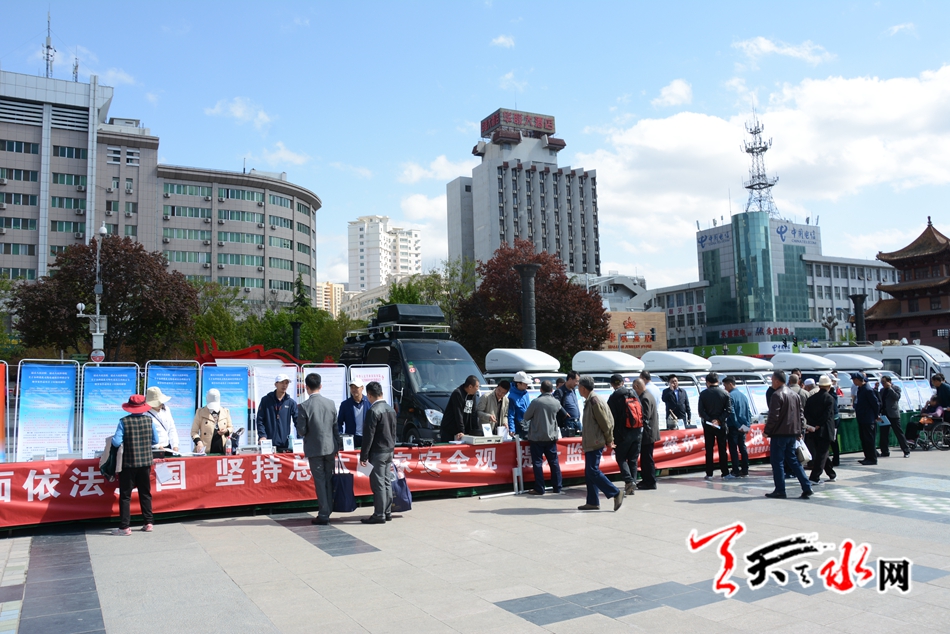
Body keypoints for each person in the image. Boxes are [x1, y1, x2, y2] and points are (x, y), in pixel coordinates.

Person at [295, 372, 340, 525]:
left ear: (306, 387)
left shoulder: (304, 406)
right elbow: (335, 428)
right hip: (330, 447)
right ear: (321, 386)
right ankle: (329, 509)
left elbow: (301, 431)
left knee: (320, 481)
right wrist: (337, 445)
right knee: (328, 479)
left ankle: (324, 513)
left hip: (314, 449)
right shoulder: (331, 403)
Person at [112, 394, 160, 535]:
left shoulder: (123, 422)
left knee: (125, 496)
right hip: (145, 463)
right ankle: (148, 522)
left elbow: (116, 442)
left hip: (128, 463)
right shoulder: (149, 421)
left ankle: (125, 527)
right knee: (145, 493)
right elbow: (155, 441)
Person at [763, 370, 813, 500]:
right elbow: (800, 414)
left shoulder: (776, 395)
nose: (772, 383)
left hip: (780, 433)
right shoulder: (794, 394)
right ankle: (806, 486)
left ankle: (780, 490)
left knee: (777, 462)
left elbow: (774, 416)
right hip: (792, 433)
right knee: (793, 460)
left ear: (777, 381)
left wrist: (767, 431)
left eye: (772, 380)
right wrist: (799, 430)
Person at [577, 376, 623, 511]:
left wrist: (609, 439)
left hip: (595, 441)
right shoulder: (591, 399)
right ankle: (592, 501)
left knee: (592, 471)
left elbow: (606, 423)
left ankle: (615, 492)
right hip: (592, 441)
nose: (578, 389)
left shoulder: (594, 401)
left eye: (579, 386)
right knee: (589, 472)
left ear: (583, 388)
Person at [359, 381, 397, 524]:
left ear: (369, 395)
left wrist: (363, 456)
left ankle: (379, 514)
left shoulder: (373, 411)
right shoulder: (391, 409)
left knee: (378, 484)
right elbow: (394, 432)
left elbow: (368, 436)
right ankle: (387, 512)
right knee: (386, 481)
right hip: (389, 450)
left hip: (377, 451)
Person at [521, 380, 563, 495]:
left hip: (537, 437)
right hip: (551, 437)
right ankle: (557, 487)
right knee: (554, 463)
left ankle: (539, 488)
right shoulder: (556, 402)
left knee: (538, 463)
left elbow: (526, 416)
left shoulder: (536, 402)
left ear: (541, 389)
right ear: (552, 390)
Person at [607, 374, 641, 496]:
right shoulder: (633, 393)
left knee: (621, 458)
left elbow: (611, 418)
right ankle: (632, 484)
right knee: (633, 459)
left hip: (622, 433)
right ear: (622, 382)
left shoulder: (614, 398)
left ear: (612, 384)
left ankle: (629, 480)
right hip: (637, 431)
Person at [697, 372, 731, 481]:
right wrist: (719, 420)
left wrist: (710, 420)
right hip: (721, 425)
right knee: (722, 449)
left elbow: (701, 411)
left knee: (709, 449)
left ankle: (709, 473)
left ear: (707, 382)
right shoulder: (725, 393)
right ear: (718, 381)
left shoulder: (703, 394)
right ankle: (725, 472)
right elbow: (728, 410)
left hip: (708, 425)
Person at [803, 375, 837, 484]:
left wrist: (813, 424)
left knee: (822, 452)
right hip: (825, 429)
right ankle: (814, 477)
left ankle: (831, 474)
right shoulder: (829, 398)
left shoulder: (811, 398)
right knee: (822, 454)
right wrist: (818, 424)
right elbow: (827, 414)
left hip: (814, 429)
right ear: (828, 386)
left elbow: (806, 413)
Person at [256, 373, 298, 452]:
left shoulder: (291, 402)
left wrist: (301, 438)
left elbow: (297, 421)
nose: (284, 385)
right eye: (282, 382)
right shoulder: (266, 400)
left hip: (284, 443)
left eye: (286, 383)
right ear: (275, 384)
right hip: (267, 443)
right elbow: (260, 420)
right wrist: (262, 436)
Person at [633, 378, 659, 490]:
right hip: (649, 433)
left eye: (634, 388)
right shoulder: (648, 395)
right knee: (646, 458)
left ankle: (650, 481)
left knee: (647, 458)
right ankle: (646, 479)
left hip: (647, 434)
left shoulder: (645, 398)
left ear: (637, 387)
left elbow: (645, 416)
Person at [722, 376, 750, 479]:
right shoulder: (744, 396)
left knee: (733, 449)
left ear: (730, 384)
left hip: (734, 426)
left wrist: (737, 425)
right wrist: (747, 426)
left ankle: (735, 471)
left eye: (725, 385)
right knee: (743, 448)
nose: (725, 388)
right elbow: (748, 412)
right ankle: (745, 470)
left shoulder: (730, 396)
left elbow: (732, 412)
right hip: (744, 425)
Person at [191, 388, 233, 455]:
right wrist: (198, 442)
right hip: (205, 450)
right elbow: (194, 432)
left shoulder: (225, 411)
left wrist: (226, 430)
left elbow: (231, 427)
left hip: (223, 450)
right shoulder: (200, 412)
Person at [440, 375, 480, 442]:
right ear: (470, 387)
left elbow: (474, 412)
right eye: (477, 386)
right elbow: (458, 414)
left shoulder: (473, 395)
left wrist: (475, 430)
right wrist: (461, 430)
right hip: (450, 430)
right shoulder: (458, 393)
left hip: (464, 430)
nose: (478, 389)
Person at [878, 375, 910, 458]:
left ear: (889, 381)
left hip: (893, 414)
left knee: (898, 433)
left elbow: (896, 397)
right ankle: (884, 451)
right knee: (884, 434)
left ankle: (906, 451)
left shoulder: (895, 388)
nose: (883, 384)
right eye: (882, 382)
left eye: (884, 382)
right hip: (884, 414)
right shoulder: (882, 390)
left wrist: (890, 388)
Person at [852, 372, 880, 465]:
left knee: (869, 439)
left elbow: (875, 403)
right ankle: (867, 457)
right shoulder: (860, 389)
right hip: (862, 418)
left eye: (854, 380)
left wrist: (876, 415)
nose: (853, 382)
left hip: (868, 419)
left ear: (858, 380)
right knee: (864, 439)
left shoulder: (868, 390)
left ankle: (872, 458)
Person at [338, 377, 370, 448]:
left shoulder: (369, 402)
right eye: (352, 387)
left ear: (362, 388)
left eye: (356, 387)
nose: (354, 390)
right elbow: (339, 422)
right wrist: (340, 434)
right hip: (350, 439)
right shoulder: (345, 404)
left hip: (367, 438)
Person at [145, 386, 179, 454]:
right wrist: (157, 446)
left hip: (167, 447)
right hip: (154, 449)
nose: (161, 403)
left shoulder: (166, 409)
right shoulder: (145, 414)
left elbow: (172, 428)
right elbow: (145, 435)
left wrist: (175, 445)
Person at [553, 371, 582, 436]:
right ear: (570, 379)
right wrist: (564, 413)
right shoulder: (560, 391)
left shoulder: (573, 390)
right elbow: (555, 403)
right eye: (576, 381)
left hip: (577, 422)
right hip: (568, 422)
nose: (577, 384)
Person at [507, 371, 533, 437]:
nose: (527, 385)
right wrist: (512, 429)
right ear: (518, 384)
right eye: (525, 383)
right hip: (519, 428)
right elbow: (510, 415)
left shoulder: (526, 393)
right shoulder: (511, 397)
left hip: (529, 425)